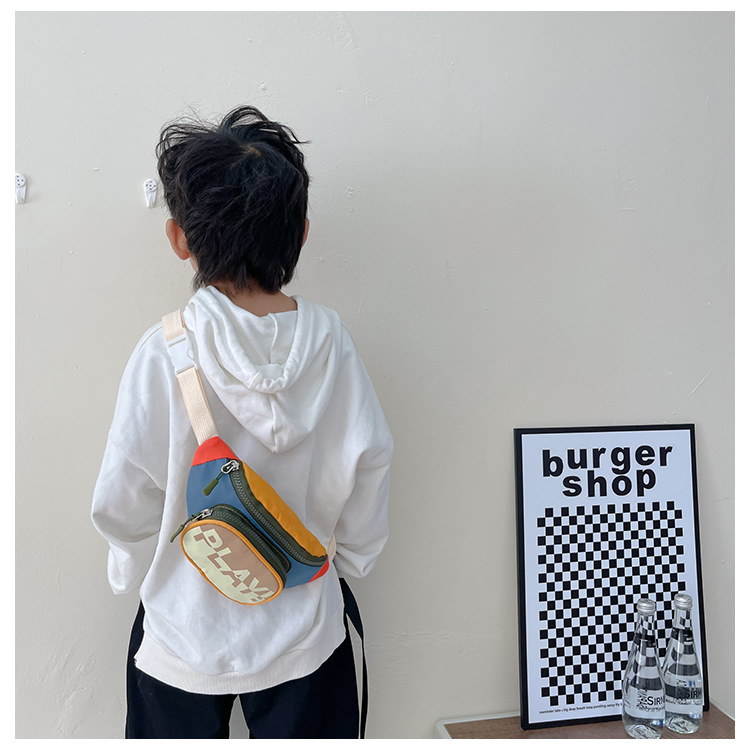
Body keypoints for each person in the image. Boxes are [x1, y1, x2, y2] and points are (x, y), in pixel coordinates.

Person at [91, 106, 393, 739]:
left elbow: (123, 499)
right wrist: (355, 559)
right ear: (301, 233)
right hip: (307, 626)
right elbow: (369, 466)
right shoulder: (333, 345)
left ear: (179, 239)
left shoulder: (163, 352)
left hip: (183, 631)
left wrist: (129, 561)